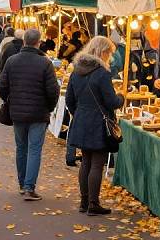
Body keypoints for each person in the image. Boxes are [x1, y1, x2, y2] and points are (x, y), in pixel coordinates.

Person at [65, 36, 124, 216]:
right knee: (97, 163)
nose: (110, 57)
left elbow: (69, 100)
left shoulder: (76, 70)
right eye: (109, 53)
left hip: (82, 120)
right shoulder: (102, 73)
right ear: (102, 52)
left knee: (86, 162)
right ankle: (93, 203)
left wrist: (80, 113)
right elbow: (111, 101)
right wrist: (121, 97)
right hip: (98, 122)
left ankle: (84, 202)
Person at [0, 29, 59, 200]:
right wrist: (49, 107)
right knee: (34, 149)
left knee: (21, 148)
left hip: (17, 112)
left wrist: (10, 100)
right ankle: (29, 187)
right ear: (38, 42)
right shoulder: (45, 63)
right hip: (39, 112)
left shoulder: (12, 61)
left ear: (24, 41)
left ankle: (22, 183)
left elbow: (2, 86)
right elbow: (53, 90)